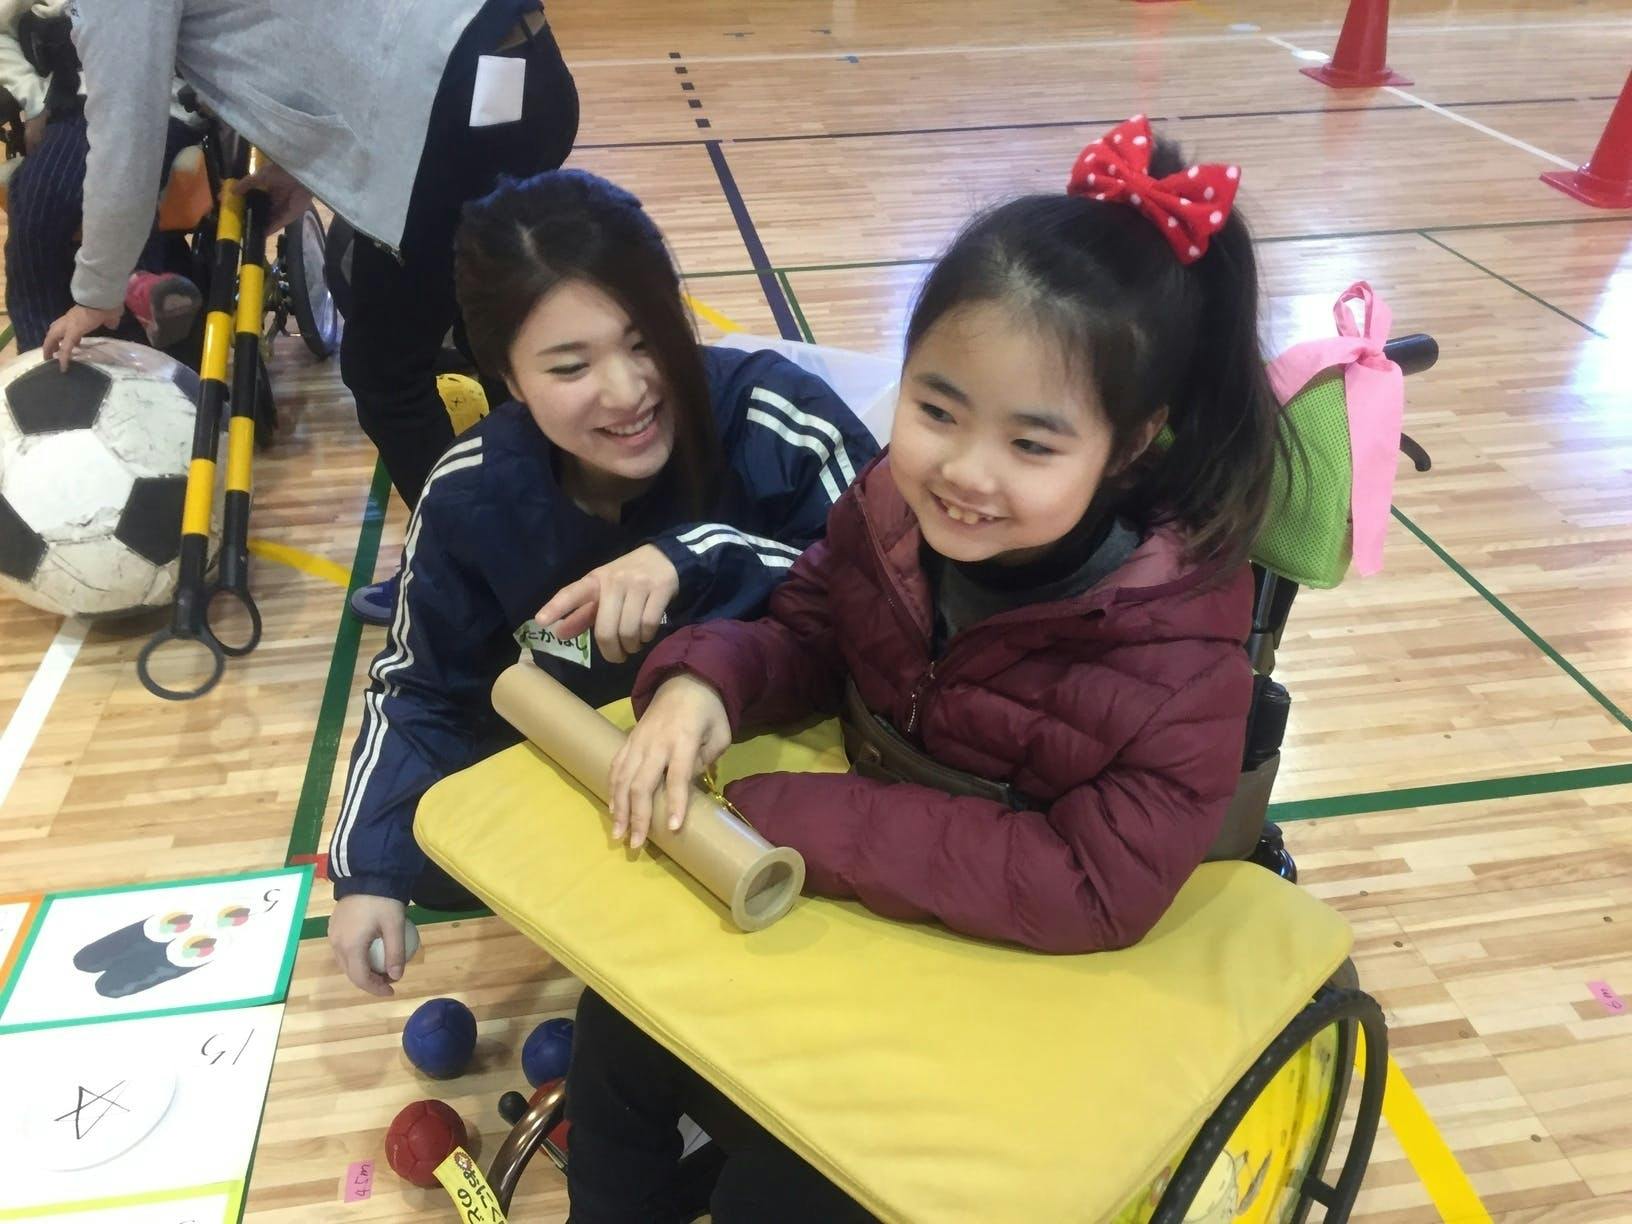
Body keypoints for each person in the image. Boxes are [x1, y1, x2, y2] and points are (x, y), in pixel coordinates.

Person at [568, 116, 1285, 1221]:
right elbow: (810, 630)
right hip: (871, 907)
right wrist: (706, 683)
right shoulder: (887, 510)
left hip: (1013, 981)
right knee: (615, 1025)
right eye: (936, 410)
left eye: (1032, 444)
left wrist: (803, 819)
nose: (965, 472)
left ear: (1133, 444)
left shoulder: (1176, 650)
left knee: (781, 1194)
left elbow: (1094, 886)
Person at [325, 170, 880, 998]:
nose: (626, 392)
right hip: (615, 800)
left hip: (790, 780)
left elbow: (888, 591)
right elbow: (423, 687)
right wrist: (369, 870)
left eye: (646, 340)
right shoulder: (472, 495)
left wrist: (692, 557)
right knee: (436, 860)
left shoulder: (775, 417)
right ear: (508, 377)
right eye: (570, 366)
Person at [38, 0, 579, 625]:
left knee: (388, 375)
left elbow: (127, 130)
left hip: (453, 109)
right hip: (522, 74)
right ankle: (567, 548)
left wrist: (97, 291)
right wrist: (304, 167)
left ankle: (479, 575)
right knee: (499, 338)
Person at [1, 0, 202, 350]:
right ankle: (39, 353)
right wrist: (32, 100)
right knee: (39, 197)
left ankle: (131, 280)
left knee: (114, 172)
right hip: (78, 98)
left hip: (169, 103)